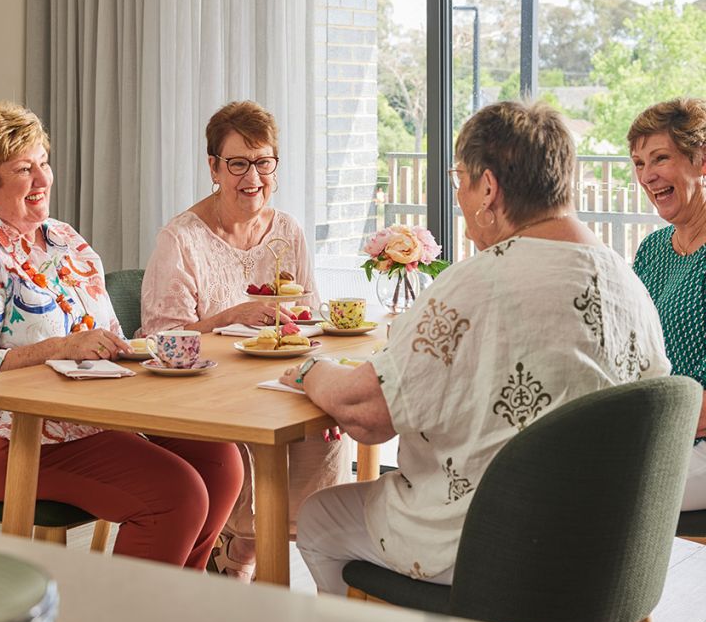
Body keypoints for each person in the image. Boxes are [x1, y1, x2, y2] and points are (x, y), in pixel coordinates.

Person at [279, 101, 670, 595]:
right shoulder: (626, 281)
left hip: (497, 546)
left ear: (488, 187)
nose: (459, 198)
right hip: (612, 546)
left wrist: (310, 369)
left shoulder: (476, 283)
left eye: (458, 179)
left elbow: (366, 415)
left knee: (319, 516)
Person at [0, 102, 243, 568]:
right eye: (22, 169)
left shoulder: (66, 241)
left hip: (88, 418)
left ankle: (170, 609)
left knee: (220, 463)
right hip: (1, 436)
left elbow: (110, 339)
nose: (41, 179)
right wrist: (58, 348)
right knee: (176, 494)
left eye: (43, 163)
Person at [142, 100, 350, 581]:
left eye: (263, 163)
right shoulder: (180, 240)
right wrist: (229, 316)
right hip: (206, 395)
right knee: (260, 437)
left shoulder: (288, 231)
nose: (251, 177)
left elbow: (310, 318)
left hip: (275, 383)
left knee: (324, 429)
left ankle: (245, 551)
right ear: (213, 167)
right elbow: (161, 341)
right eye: (237, 163)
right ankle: (242, 553)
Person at [630, 97, 706, 511]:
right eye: (639, 163)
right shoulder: (653, 249)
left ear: (701, 160)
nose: (647, 175)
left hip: (696, 442)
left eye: (660, 158)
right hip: (661, 430)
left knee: (594, 488)